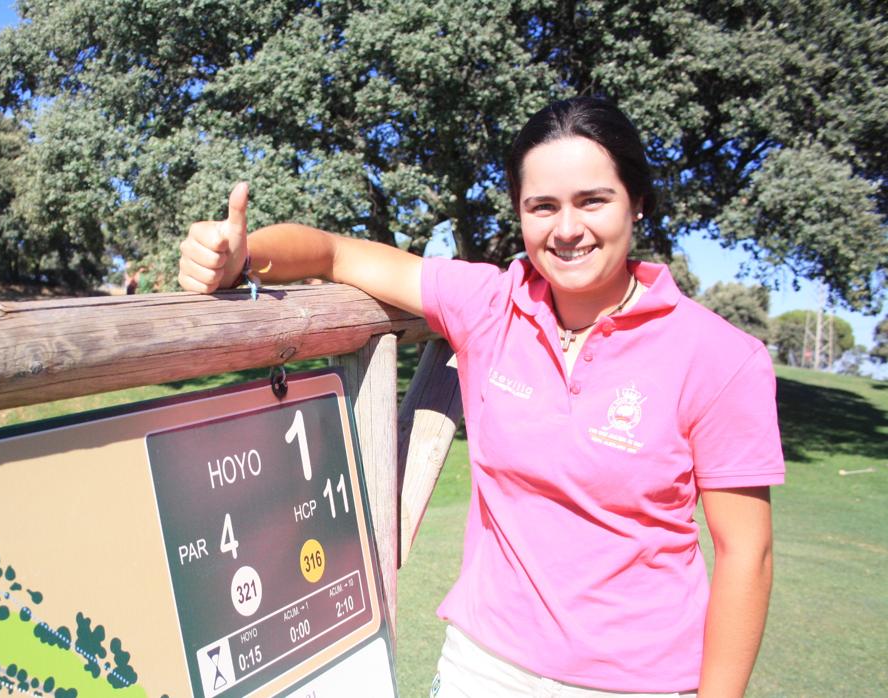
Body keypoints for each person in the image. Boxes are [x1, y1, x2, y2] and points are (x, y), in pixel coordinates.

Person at [178, 97, 783, 697]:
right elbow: (338, 254)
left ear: (638, 202)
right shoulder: (491, 304)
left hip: (638, 685)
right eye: (542, 206)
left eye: (592, 200)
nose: (567, 229)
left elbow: (745, 555)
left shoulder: (720, 358)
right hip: (484, 667)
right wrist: (243, 257)